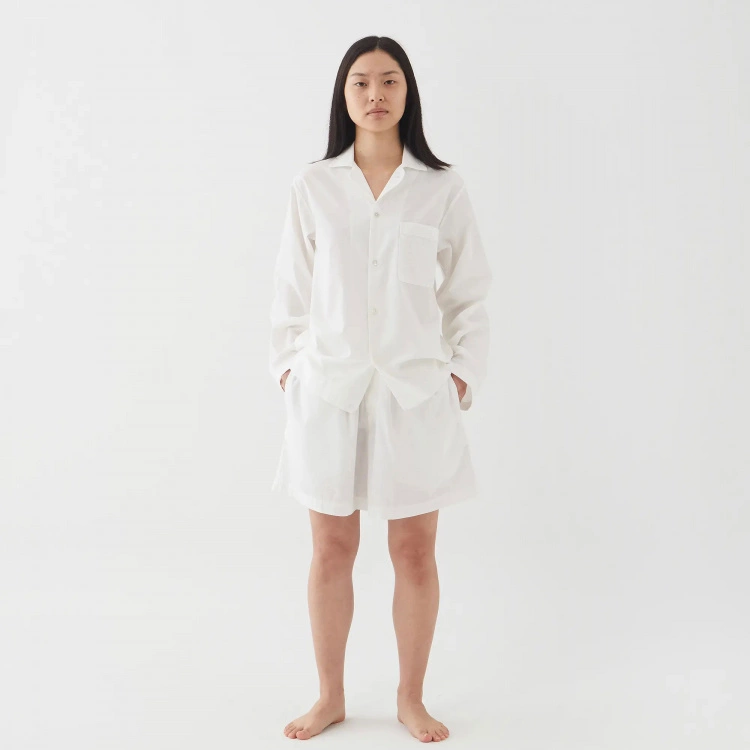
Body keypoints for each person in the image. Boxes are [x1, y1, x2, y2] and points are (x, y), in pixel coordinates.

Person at [269, 36, 492, 742]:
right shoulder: (314, 186)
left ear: (408, 92)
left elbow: (469, 292)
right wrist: (289, 369)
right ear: (343, 95)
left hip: (414, 396)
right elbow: (289, 290)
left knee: (414, 552)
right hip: (329, 393)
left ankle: (410, 697)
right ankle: (330, 695)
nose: (375, 94)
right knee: (331, 549)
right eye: (361, 82)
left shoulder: (440, 187)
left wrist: (461, 373)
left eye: (389, 80)